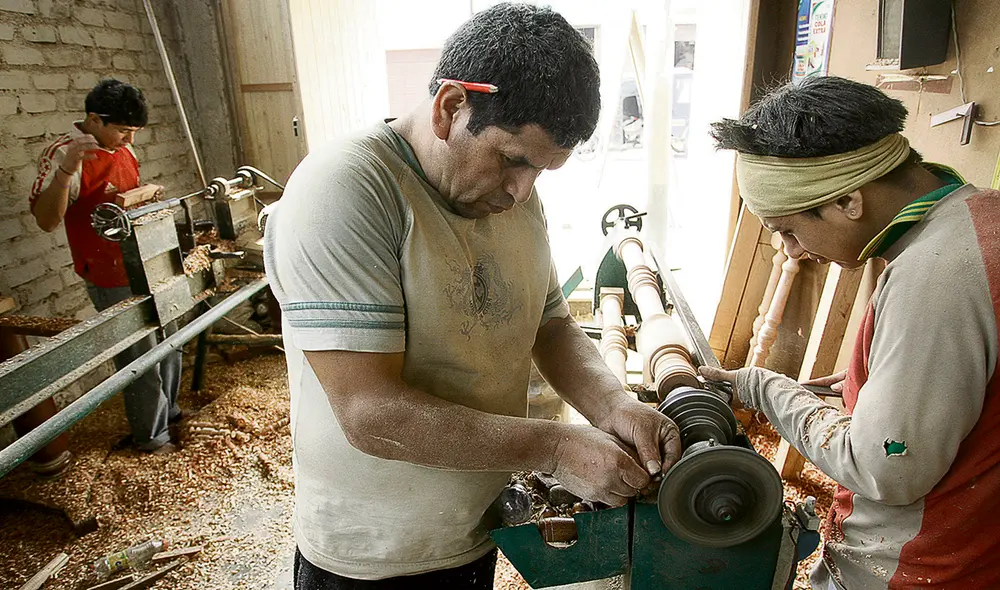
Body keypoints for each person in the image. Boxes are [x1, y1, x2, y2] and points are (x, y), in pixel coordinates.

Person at [263, 4, 681, 588]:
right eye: (512, 161)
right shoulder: (348, 190)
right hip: (377, 558)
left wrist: (614, 405)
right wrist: (555, 449)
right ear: (452, 107)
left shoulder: (514, 197)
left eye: (540, 172)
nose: (520, 192)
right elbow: (369, 412)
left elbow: (552, 326)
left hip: (472, 531)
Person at [701, 76, 1000, 589]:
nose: (791, 251)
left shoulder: (934, 276)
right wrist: (879, 376)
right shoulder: (980, 217)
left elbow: (886, 469)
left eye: (788, 230)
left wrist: (764, 388)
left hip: (918, 570)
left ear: (849, 202)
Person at [30, 79, 183, 454]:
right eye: (123, 130)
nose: (128, 139)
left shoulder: (123, 148)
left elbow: (118, 196)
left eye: (134, 132)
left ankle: (171, 415)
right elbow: (47, 220)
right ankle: (152, 438)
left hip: (146, 262)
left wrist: (145, 194)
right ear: (94, 120)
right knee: (140, 359)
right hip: (108, 272)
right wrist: (67, 171)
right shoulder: (65, 154)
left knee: (172, 342)